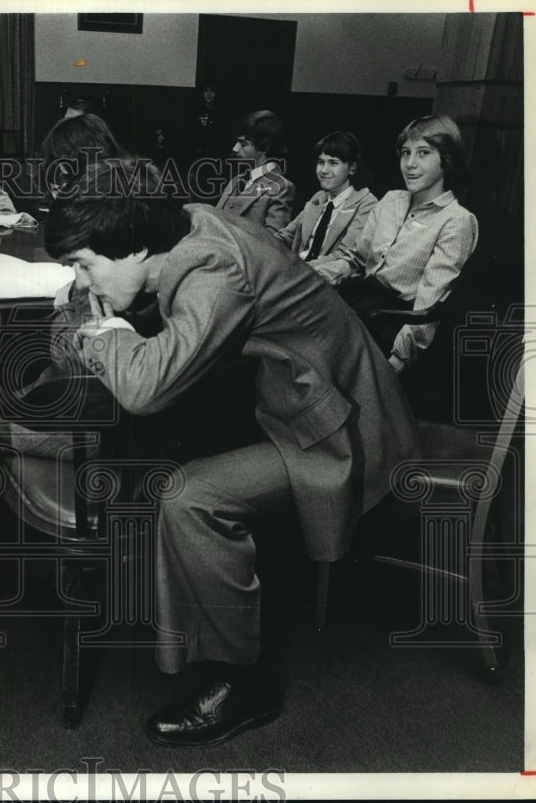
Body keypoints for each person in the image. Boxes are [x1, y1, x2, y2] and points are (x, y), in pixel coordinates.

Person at [44, 157, 418, 747]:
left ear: (136, 247)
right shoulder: (183, 228)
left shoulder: (212, 265)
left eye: (85, 265)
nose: (82, 282)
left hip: (339, 430)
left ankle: (242, 684)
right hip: (295, 402)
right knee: (172, 455)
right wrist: (107, 318)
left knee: (188, 496)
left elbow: (146, 389)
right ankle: (195, 608)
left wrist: (107, 335)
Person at [311, 114, 478, 373]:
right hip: (359, 302)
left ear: (446, 160)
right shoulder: (391, 200)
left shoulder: (457, 220)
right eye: (405, 152)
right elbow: (356, 260)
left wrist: (397, 361)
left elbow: (428, 306)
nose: (410, 164)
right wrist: (311, 273)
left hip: (394, 323)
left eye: (423, 153)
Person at [275, 131, 377, 262]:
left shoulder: (366, 203)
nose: (323, 170)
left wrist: (298, 271)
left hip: (325, 277)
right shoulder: (318, 198)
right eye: (320, 162)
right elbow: (286, 236)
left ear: (352, 168)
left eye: (333, 163)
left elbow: (344, 256)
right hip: (296, 269)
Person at [215, 110, 295, 232]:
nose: (235, 149)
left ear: (264, 148)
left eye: (243, 144)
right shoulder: (236, 180)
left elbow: (272, 242)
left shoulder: (282, 187)